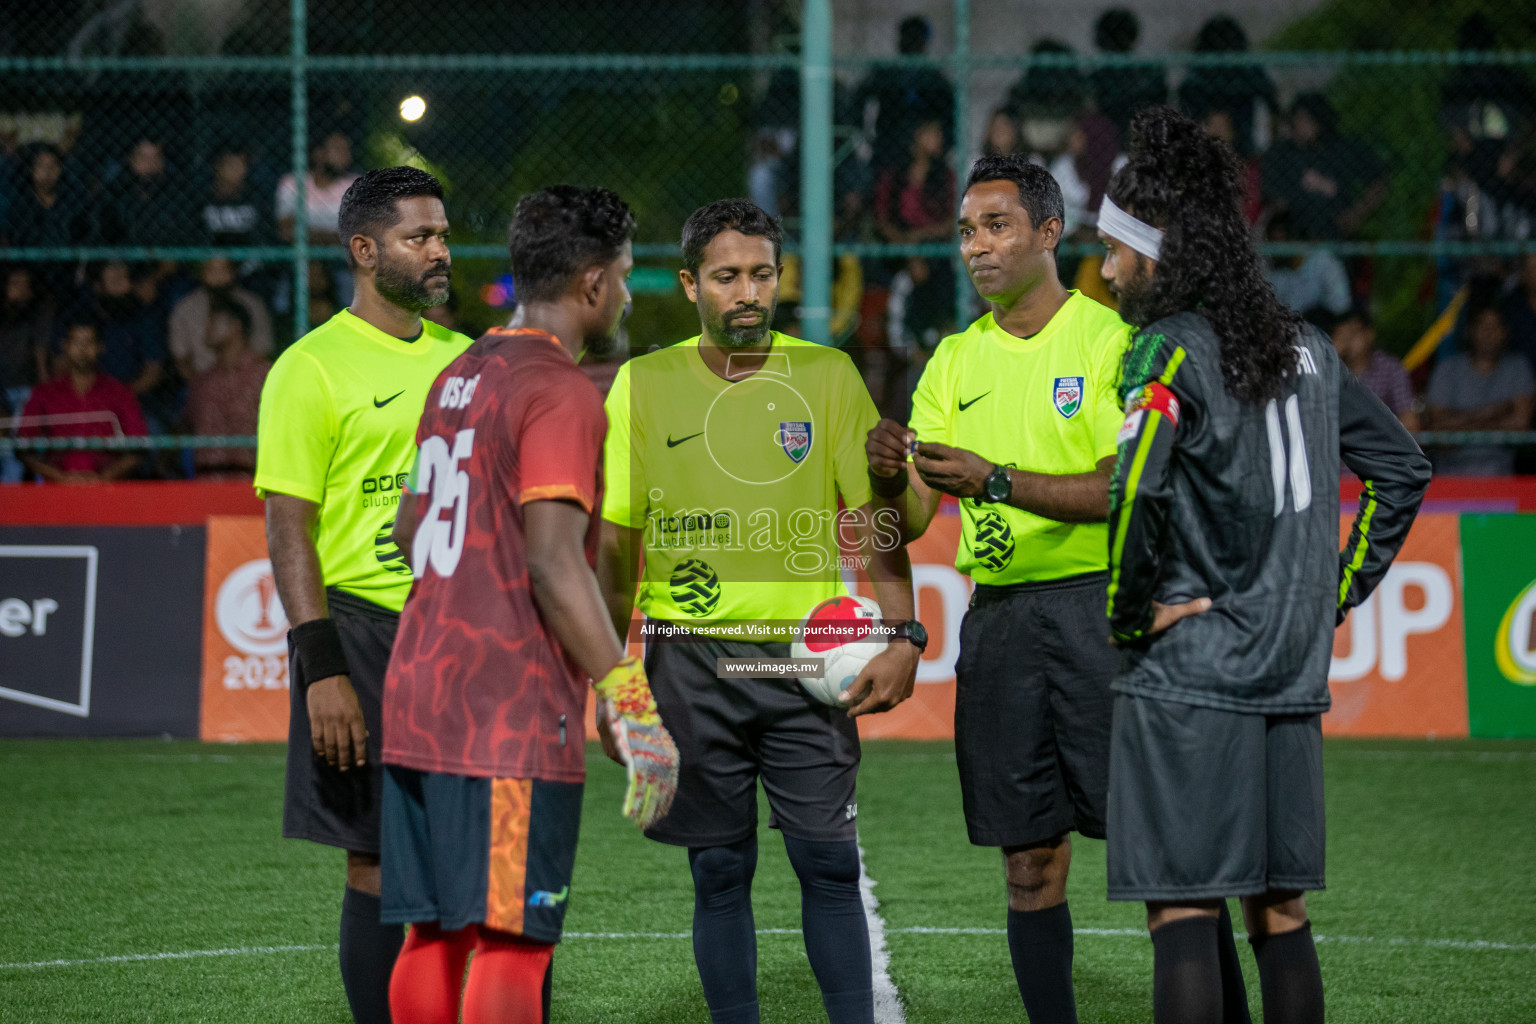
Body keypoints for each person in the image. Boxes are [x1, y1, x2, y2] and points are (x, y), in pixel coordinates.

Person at [1096, 106, 1431, 1024]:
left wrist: (1129, 622)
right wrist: (1330, 595)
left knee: (1183, 907)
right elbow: (1403, 469)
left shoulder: (1164, 350)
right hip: (1291, 670)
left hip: (1195, 676)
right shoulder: (1311, 350)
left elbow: (1134, 497)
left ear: (1157, 254)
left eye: (1116, 249)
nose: (1106, 269)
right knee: (1280, 911)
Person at [599, 198, 921, 1024]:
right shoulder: (644, 383)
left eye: (762, 274)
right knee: (717, 868)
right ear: (690, 283)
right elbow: (614, 556)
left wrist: (903, 633)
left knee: (825, 860)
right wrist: (612, 681)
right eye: (726, 275)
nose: (747, 291)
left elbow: (880, 523)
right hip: (687, 658)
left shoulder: (827, 375)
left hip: (803, 660)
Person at [866, 155, 1165, 1024]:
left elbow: (1122, 486)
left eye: (996, 226)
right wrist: (888, 476)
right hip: (997, 623)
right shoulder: (953, 361)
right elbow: (915, 516)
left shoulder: (1111, 342)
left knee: (1158, 857)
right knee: (1028, 862)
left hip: (1103, 613)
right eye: (965, 230)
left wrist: (997, 480)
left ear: (1047, 232)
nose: (976, 247)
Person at [381, 184, 679, 1024]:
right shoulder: (561, 390)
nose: (623, 292)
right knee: (515, 941)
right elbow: (554, 564)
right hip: (502, 714)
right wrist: (629, 699)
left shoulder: (458, 371)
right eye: (622, 275)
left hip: (419, 694)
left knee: (432, 936)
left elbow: (409, 533)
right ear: (591, 283)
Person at [254, 166, 473, 1024]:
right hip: (363, 633)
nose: (440, 250)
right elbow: (287, 531)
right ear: (364, 249)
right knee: (377, 860)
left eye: (443, 233)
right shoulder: (309, 369)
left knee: (485, 855)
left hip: (464, 636)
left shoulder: (467, 362)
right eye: (420, 237)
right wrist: (323, 672)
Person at [18, 314, 146, 483]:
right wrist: (61, 478)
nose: (82, 349)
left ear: (100, 347)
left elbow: (138, 449)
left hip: (108, 487)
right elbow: (23, 449)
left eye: (89, 342)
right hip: (56, 486)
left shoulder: (120, 393)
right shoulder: (44, 393)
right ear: (65, 346)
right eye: (76, 342)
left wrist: (103, 478)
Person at [1424, 303, 1535, 476]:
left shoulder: (1518, 367)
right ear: (1469, 330)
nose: (1489, 333)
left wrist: (1459, 422)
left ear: (1506, 331)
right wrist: (1493, 412)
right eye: (1483, 325)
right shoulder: (1447, 369)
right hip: (1450, 478)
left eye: (1495, 325)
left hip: (1502, 477)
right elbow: (1440, 431)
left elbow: (1521, 425)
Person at [1261, 92, 1388, 241]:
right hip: (1296, 240)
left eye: (1305, 119)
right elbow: (1274, 201)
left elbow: (1379, 181)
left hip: (1336, 235)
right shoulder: (1281, 153)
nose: (1298, 124)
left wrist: (1356, 215)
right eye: (1296, 118)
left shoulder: (1343, 148)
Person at [856, 15, 954, 174]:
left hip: (924, 152)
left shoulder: (935, 79)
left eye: (917, 37)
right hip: (889, 147)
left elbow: (950, 117)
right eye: (909, 36)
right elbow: (859, 97)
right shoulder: (886, 72)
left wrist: (942, 146)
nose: (912, 42)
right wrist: (864, 133)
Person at [184, 296, 269, 480]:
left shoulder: (264, 375)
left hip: (254, 480)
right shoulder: (203, 380)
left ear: (235, 326)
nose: (206, 327)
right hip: (208, 483)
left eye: (213, 320)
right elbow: (188, 424)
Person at [168, 257, 274, 380]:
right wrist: (202, 385)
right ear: (201, 272)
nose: (218, 278)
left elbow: (262, 351)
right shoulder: (185, 308)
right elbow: (181, 359)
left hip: (246, 379)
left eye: (224, 270)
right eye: (211, 270)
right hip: (201, 381)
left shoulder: (253, 304)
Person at [1327, 308, 1418, 431]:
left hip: (1381, 445)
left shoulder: (1390, 369)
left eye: (1353, 332)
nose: (1348, 339)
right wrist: (1334, 352)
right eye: (1342, 334)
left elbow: (1410, 423)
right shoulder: (1330, 369)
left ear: (1369, 334)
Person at [98, 138, 192, 245]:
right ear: (131, 159)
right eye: (143, 158)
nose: (150, 166)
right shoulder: (115, 192)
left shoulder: (176, 193)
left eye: (156, 158)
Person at [276, 131, 360, 245]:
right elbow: (286, 231)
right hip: (304, 254)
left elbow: (355, 235)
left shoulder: (356, 186)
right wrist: (332, 236)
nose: (346, 156)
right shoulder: (292, 183)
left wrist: (307, 234)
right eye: (339, 150)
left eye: (347, 150)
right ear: (319, 154)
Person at [1264, 210, 1351, 317]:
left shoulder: (1323, 262)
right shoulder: (1277, 275)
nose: (1274, 250)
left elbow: (1341, 306)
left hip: (1324, 327)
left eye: (1279, 241)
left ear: (1294, 239)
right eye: (1271, 243)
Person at [201, 144, 274, 248]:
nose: (238, 170)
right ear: (218, 167)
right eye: (232, 164)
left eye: (242, 165)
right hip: (212, 255)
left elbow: (264, 235)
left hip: (249, 254)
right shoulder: (202, 198)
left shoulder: (256, 197)